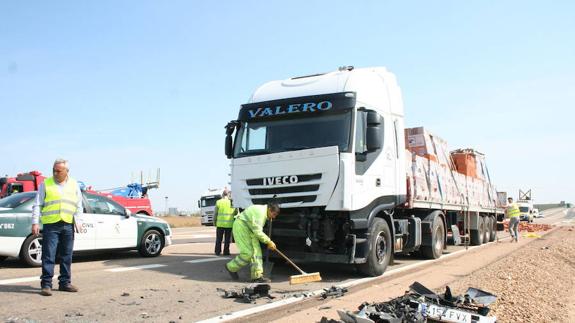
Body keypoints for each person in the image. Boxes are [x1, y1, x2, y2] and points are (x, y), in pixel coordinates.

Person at [31, 159, 83, 296]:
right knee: (49, 255)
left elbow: (79, 205)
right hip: (51, 225)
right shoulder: (45, 184)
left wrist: (79, 221)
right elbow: (37, 204)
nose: (55, 173)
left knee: (67, 255)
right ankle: (46, 284)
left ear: (66, 171)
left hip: (68, 224)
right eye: (53, 170)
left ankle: (65, 283)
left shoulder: (74, 184)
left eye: (58, 170)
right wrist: (35, 222)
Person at [225, 202, 280, 283]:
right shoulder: (260, 213)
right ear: (269, 210)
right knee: (248, 253)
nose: (274, 217)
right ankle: (231, 267)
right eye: (274, 214)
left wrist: (268, 241)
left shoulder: (264, 212)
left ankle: (257, 276)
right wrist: (269, 241)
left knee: (257, 252)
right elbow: (258, 232)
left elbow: (256, 230)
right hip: (241, 227)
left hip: (249, 229)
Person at [214, 190, 235, 256]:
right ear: (228, 195)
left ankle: (217, 252)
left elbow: (215, 214)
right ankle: (226, 252)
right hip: (229, 224)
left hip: (220, 224)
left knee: (219, 239)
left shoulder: (218, 202)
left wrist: (214, 222)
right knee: (227, 239)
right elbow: (236, 212)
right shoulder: (232, 202)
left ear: (222, 195)